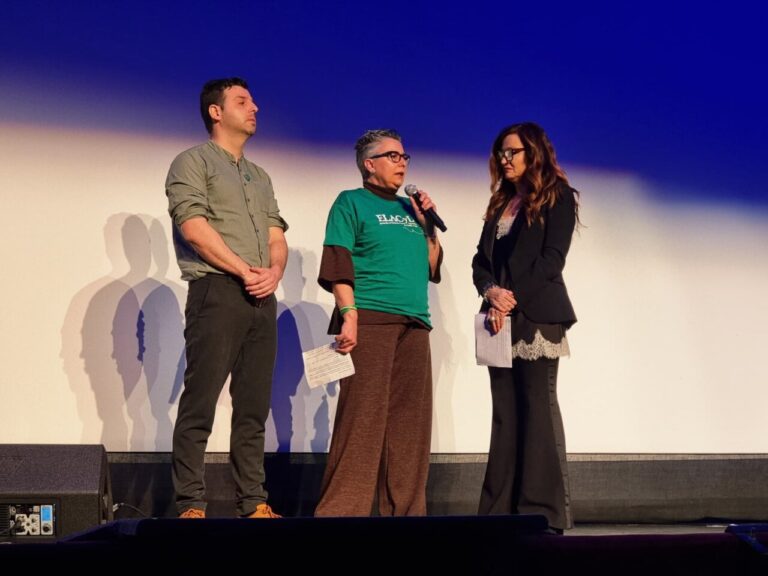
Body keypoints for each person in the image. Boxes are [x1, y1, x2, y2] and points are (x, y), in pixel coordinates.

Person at [166, 77, 288, 519]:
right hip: (217, 290)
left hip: (261, 295)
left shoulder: (260, 176)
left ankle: (254, 501)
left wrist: (273, 272)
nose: (254, 107)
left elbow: (276, 234)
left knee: (254, 405)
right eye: (242, 101)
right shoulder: (191, 162)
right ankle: (190, 503)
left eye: (253, 100)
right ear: (216, 112)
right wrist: (242, 270)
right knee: (200, 402)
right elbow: (193, 227)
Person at [314, 129, 443, 516]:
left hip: (414, 323)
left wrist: (428, 226)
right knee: (362, 419)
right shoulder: (351, 202)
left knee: (410, 426)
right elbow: (338, 260)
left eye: (405, 156)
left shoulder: (411, 211)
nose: (402, 162)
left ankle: (405, 514)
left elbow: (431, 265)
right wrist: (348, 316)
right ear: (369, 165)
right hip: (370, 319)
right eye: (392, 156)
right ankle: (342, 513)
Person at [471, 122, 579, 532]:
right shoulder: (501, 203)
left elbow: (552, 259)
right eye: (501, 152)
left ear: (533, 153)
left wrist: (511, 297)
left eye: (512, 152)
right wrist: (491, 290)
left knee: (538, 407)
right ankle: (499, 511)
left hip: (537, 316)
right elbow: (480, 261)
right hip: (498, 317)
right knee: (505, 412)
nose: (505, 159)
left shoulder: (557, 196)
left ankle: (543, 512)